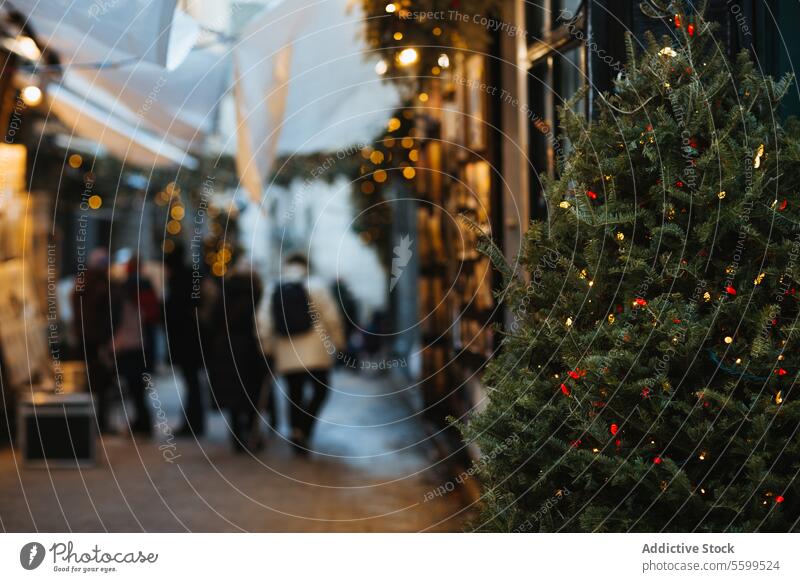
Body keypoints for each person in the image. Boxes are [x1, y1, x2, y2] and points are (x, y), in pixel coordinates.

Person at [258, 253, 344, 456]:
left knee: (293, 394)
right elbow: (332, 317)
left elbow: (263, 321)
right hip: (316, 352)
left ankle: (296, 432)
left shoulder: (273, 288)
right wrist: (339, 343)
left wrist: (268, 349)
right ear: (306, 266)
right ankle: (304, 428)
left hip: (287, 352)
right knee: (321, 391)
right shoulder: (317, 285)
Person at [208, 269, 267, 453]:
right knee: (252, 392)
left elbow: (211, 323)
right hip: (251, 350)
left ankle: (235, 437)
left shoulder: (223, 297)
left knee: (232, 394)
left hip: (225, 349)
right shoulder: (257, 298)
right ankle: (251, 434)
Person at [72, 249, 119, 434]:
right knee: (101, 384)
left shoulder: (81, 283)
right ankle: (100, 423)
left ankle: (90, 423)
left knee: (90, 384)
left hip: (84, 340)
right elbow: (109, 314)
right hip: (98, 341)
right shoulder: (102, 285)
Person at [164, 245, 205, 437]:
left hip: (185, 340)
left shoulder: (177, 281)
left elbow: (174, 313)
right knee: (193, 382)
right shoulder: (191, 277)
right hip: (194, 339)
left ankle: (192, 424)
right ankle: (195, 422)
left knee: (191, 382)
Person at [112, 257, 155, 436]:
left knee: (134, 386)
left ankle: (142, 423)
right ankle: (142, 422)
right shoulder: (147, 287)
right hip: (143, 343)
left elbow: (121, 321)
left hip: (130, 343)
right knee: (139, 387)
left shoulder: (124, 290)